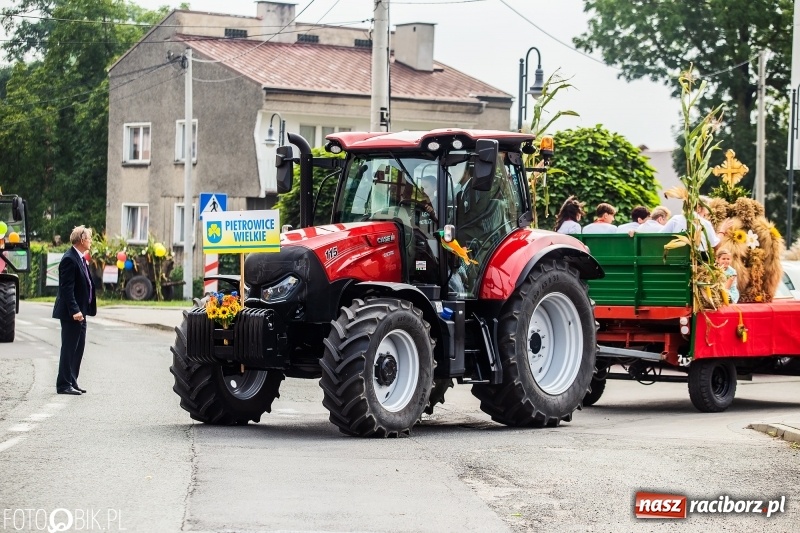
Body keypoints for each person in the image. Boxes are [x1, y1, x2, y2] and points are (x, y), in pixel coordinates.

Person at [53, 225, 97, 395]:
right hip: (73, 313)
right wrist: (75, 310)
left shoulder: (80, 258)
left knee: (78, 348)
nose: (91, 241)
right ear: (81, 240)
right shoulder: (69, 259)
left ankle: (72, 380)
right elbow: (66, 288)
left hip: (81, 312)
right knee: (69, 347)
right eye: (89, 238)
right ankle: (63, 384)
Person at [660, 197, 730, 254]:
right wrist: (722, 231)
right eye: (706, 212)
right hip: (697, 262)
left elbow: (659, 237)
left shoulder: (675, 219)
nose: (706, 215)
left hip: (674, 258)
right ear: (699, 208)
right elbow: (716, 246)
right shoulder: (705, 223)